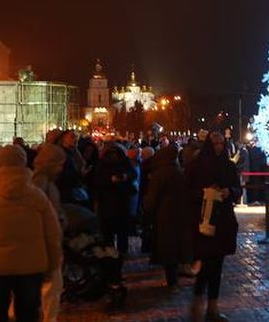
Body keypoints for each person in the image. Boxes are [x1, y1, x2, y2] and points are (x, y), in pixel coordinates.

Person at [0, 145, 62, 322]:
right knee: (28, 315)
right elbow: (53, 236)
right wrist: (52, 266)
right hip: (31, 268)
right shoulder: (38, 197)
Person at [187, 131, 240, 322]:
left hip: (223, 219)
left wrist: (229, 191)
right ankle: (199, 301)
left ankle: (212, 306)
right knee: (207, 261)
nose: (218, 147)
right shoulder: (196, 166)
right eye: (215, 143)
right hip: (203, 220)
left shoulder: (228, 166)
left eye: (221, 144)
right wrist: (204, 193)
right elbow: (187, 191)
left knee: (217, 263)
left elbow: (237, 189)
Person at [143, 144, 193, 288]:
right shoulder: (178, 171)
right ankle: (173, 279)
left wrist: (147, 207)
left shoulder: (159, 173)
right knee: (175, 247)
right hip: (178, 214)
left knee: (168, 248)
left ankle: (171, 280)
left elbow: (152, 198)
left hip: (164, 215)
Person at [31, 141, 66, 322]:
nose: (61, 168)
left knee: (51, 285)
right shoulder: (40, 182)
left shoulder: (45, 180)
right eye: (58, 164)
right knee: (51, 286)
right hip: (44, 240)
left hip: (47, 238)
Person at [93, 142, 136, 256]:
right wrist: (119, 178)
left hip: (109, 200)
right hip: (120, 199)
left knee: (109, 228)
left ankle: (111, 250)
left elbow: (96, 180)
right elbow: (133, 174)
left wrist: (113, 179)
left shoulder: (102, 163)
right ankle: (121, 250)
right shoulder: (124, 161)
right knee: (121, 228)